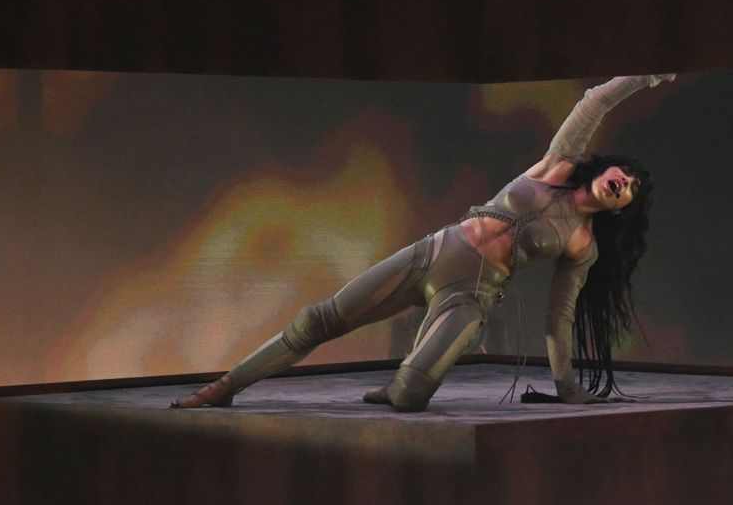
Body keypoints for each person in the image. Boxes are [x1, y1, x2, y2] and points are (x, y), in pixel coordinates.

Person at [170, 73, 672, 412]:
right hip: (431, 254)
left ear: (621, 207)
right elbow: (594, 101)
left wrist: (566, 387)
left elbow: (558, 320)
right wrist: (647, 76)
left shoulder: (582, 244)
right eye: (624, 174)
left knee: (411, 398)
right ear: (606, 168)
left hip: (469, 295)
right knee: (317, 320)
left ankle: (402, 380)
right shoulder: (557, 166)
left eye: (631, 189)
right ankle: (226, 386)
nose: (623, 183)